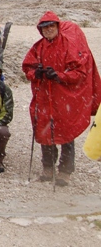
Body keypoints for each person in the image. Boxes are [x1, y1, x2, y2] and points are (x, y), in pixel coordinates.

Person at [22, 11, 101, 186]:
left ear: (57, 26)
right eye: (45, 27)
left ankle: (65, 171)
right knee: (44, 130)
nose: (48, 29)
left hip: (65, 97)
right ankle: (48, 168)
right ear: (40, 30)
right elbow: (27, 68)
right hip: (44, 96)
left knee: (66, 132)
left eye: (51, 26)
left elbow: (79, 73)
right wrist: (38, 73)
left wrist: (59, 76)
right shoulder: (38, 47)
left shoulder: (69, 45)